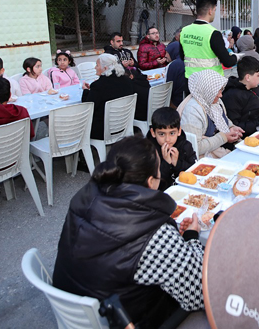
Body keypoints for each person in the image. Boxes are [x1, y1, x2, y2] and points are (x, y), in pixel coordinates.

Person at [53, 137, 204, 328]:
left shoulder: (84, 196)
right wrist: (191, 237)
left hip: (76, 313)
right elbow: (198, 294)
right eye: (159, 171)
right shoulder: (155, 236)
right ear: (151, 181)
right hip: (128, 321)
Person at [177, 70, 243, 158]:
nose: (221, 95)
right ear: (208, 90)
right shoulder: (192, 111)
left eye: (221, 90)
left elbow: (223, 118)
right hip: (206, 158)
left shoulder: (213, 101)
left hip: (223, 148)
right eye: (218, 91)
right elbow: (195, 147)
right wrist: (223, 138)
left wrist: (231, 127)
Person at [180, 0, 238, 79]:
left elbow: (182, 56)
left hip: (191, 81)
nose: (214, 13)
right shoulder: (213, 33)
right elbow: (227, 62)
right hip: (211, 82)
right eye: (215, 10)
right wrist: (236, 57)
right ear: (210, 11)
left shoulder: (184, 31)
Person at [81, 53, 135, 140]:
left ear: (105, 68)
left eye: (97, 65)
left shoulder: (98, 86)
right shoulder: (127, 81)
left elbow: (88, 107)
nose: (95, 68)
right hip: (123, 124)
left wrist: (85, 91)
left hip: (103, 129)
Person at [145, 107, 196, 191]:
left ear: (179, 131)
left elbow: (195, 172)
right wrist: (166, 163)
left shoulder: (186, 146)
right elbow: (155, 186)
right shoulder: (149, 152)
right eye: (161, 134)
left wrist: (177, 163)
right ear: (153, 133)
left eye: (172, 133)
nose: (167, 139)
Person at [222, 57, 259, 136]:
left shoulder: (256, 88)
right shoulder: (232, 96)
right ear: (248, 77)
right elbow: (234, 126)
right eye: (258, 75)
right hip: (246, 137)